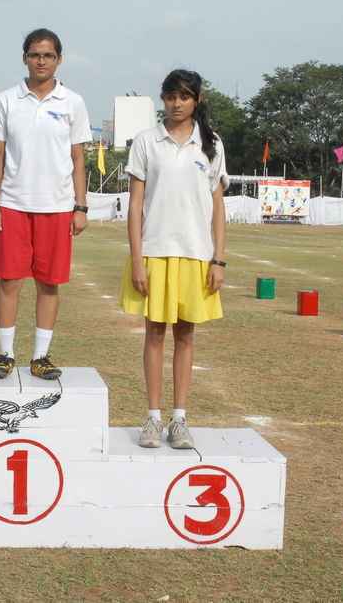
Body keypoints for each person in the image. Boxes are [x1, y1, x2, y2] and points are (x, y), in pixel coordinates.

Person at [121, 69, 228, 449]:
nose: (176, 104)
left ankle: (179, 419)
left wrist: (219, 260)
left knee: (186, 335)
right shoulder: (146, 142)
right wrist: (137, 259)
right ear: (162, 99)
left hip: (196, 253)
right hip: (155, 251)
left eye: (184, 97)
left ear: (197, 100)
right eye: (170, 97)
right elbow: (135, 206)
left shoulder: (211, 144)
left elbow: (218, 208)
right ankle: (152, 418)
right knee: (154, 334)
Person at [0, 28, 92, 380]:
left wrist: (80, 206)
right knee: (9, 281)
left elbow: (78, 158)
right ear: (24, 58)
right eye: (34, 55)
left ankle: (40, 357)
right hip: (13, 203)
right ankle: (5, 354)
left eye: (48, 55)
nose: (41, 61)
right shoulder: (6, 100)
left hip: (57, 206)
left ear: (59, 59)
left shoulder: (73, 102)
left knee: (49, 283)